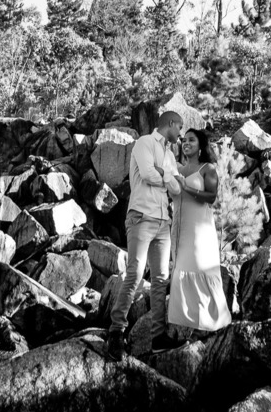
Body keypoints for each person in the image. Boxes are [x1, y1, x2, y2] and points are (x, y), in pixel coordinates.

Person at [105, 110, 183, 360]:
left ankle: (158, 337)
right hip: (140, 217)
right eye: (180, 127)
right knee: (135, 273)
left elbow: (177, 189)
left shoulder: (169, 155)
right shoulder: (144, 143)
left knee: (161, 278)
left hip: (163, 223)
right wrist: (167, 176)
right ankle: (116, 332)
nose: (181, 134)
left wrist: (164, 174)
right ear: (170, 123)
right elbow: (149, 175)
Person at [167, 128, 231, 334]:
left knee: (198, 267)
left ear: (201, 145)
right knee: (180, 268)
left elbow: (211, 197)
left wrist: (187, 188)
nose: (186, 143)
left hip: (199, 229)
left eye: (191, 140)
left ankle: (211, 322)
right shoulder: (177, 168)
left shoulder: (207, 169)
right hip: (179, 227)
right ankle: (184, 324)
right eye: (184, 140)